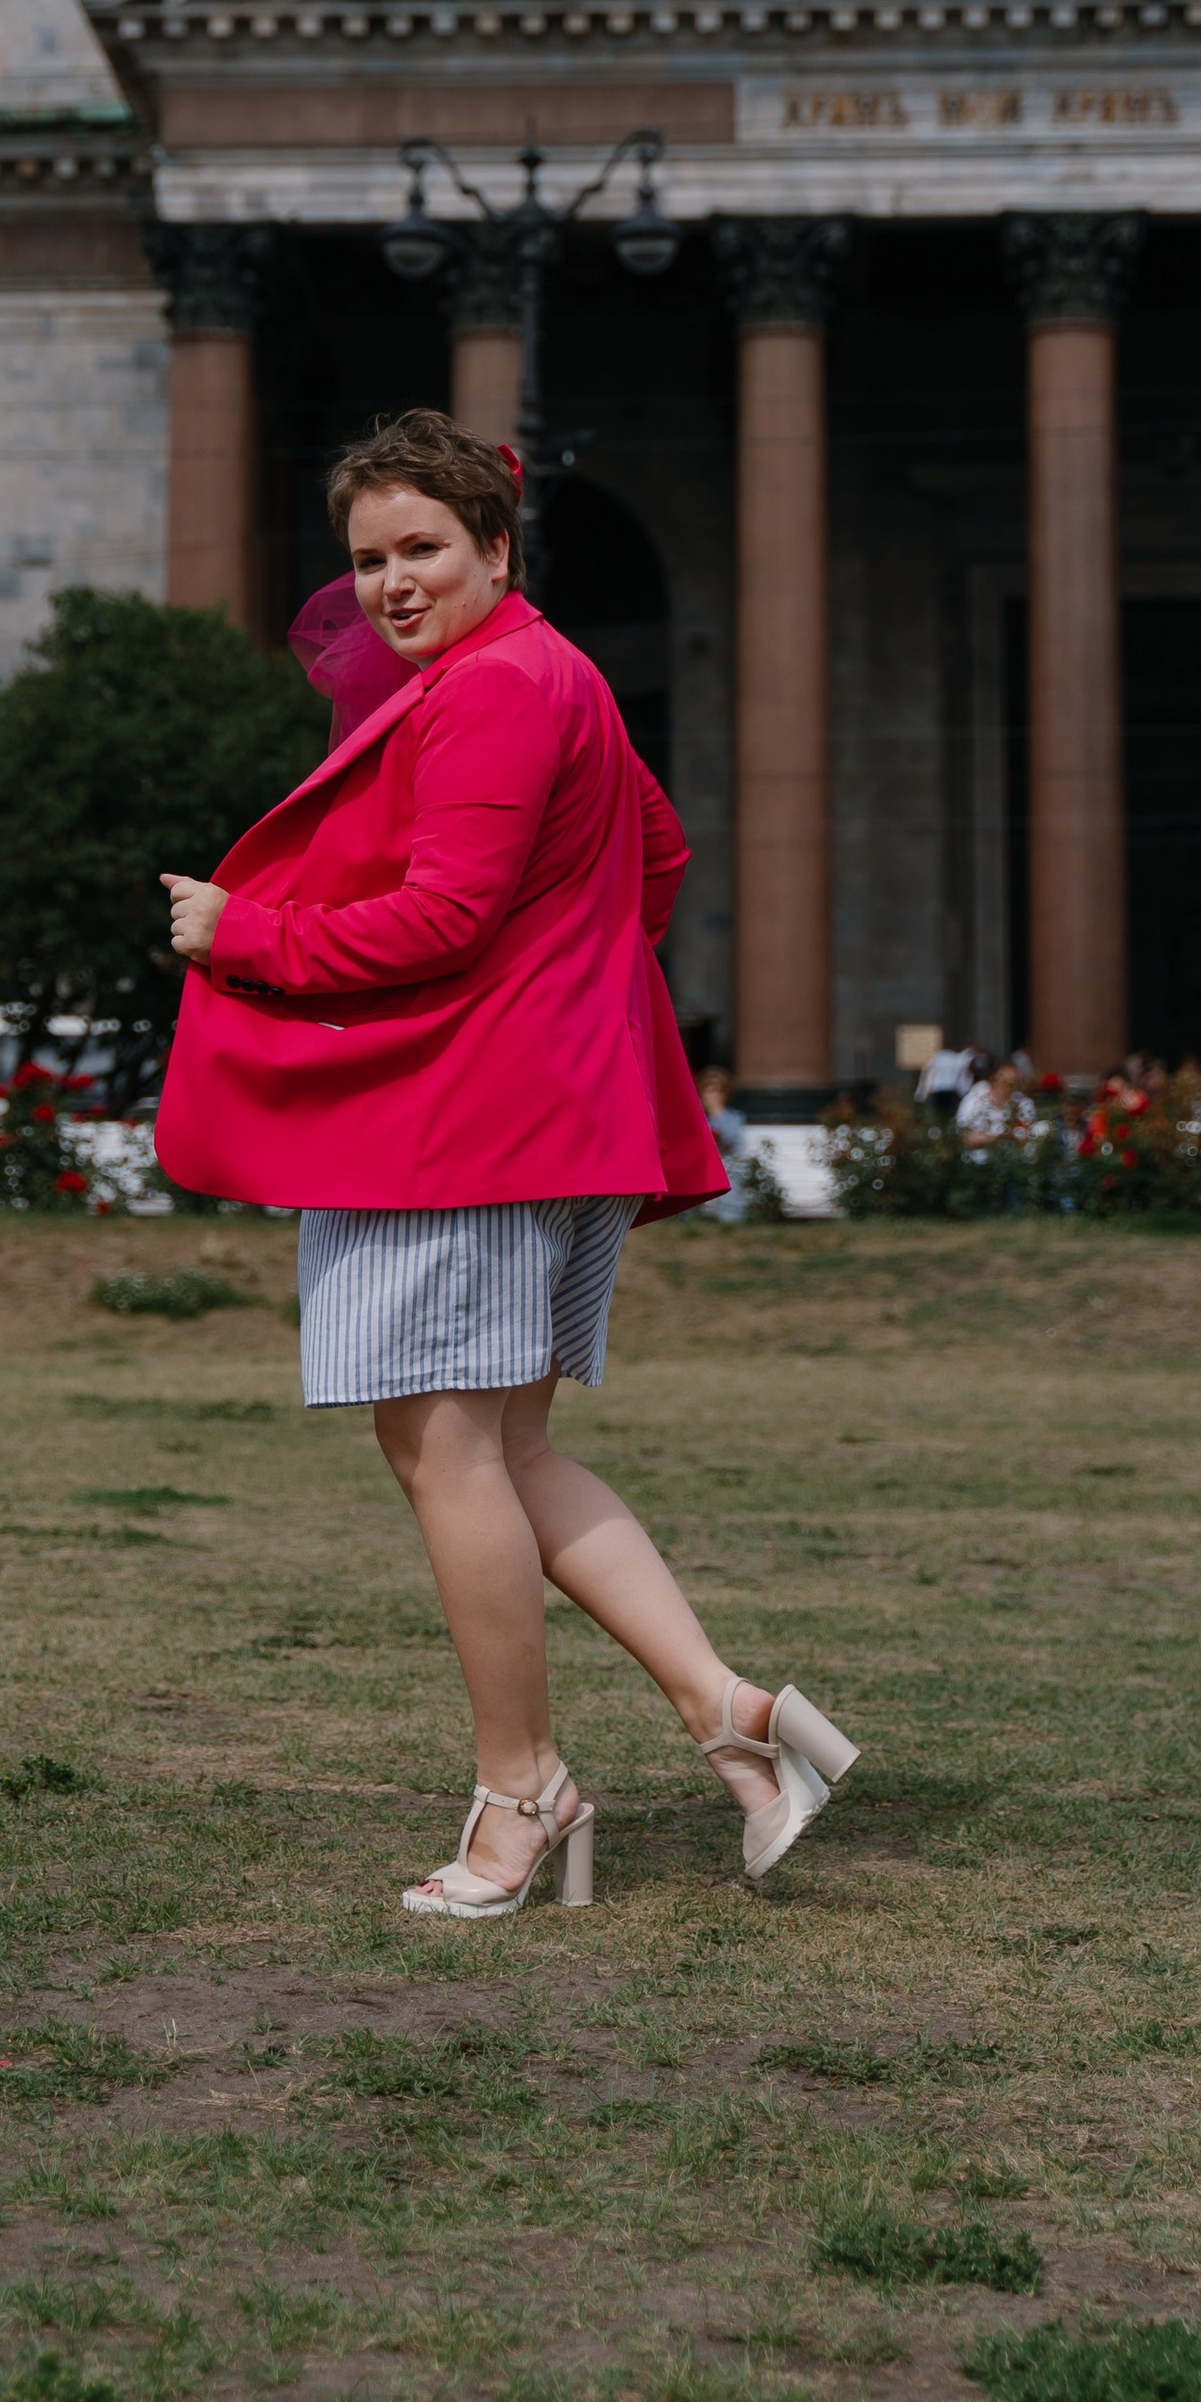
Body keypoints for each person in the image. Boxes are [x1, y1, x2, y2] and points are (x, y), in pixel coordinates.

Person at [155, 407, 856, 1923]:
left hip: (466, 1124)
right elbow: (652, 859)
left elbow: (440, 918)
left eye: (423, 551)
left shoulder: (490, 692)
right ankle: (728, 1714)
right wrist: (569, 995)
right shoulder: (557, 678)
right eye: (367, 562)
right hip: (531, 1110)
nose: (392, 585)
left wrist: (244, 933)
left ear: (496, 547)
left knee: (450, 1457)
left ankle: (524, 1795)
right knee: (505, 1452)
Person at [696, 1060, 750, 1222]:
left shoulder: (735, 1117)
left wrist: (717, 1112)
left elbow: (730, 1138)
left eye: (718, 1090)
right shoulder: (697, 1117)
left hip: (728, 1168)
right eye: (709, 1089)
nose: (713, 1095)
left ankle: (729, 1218)